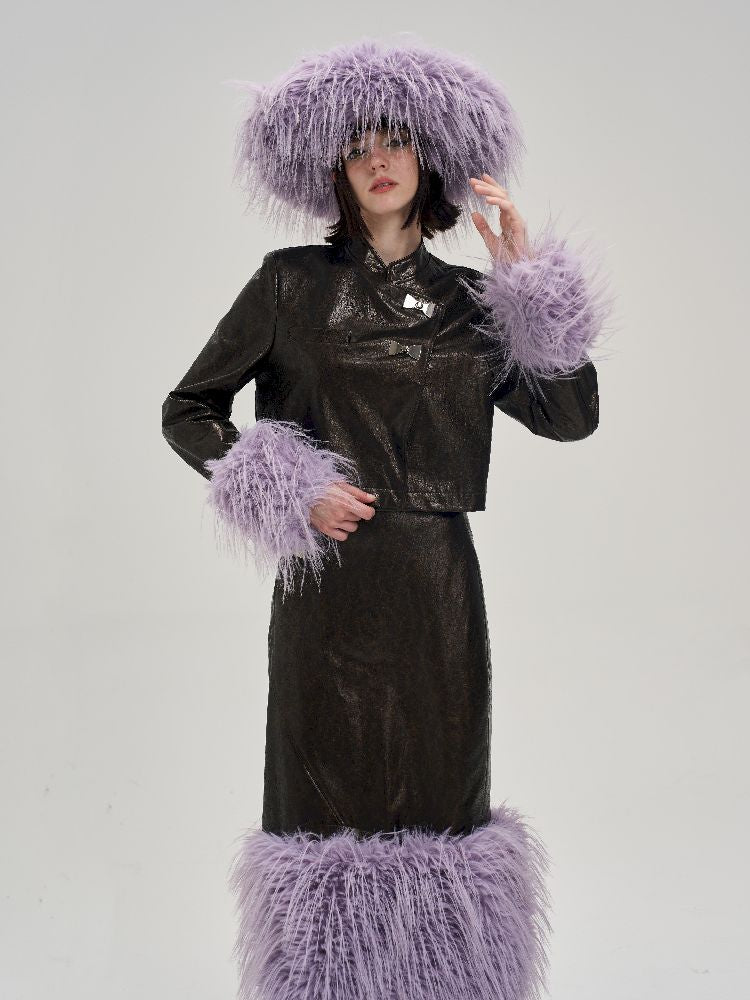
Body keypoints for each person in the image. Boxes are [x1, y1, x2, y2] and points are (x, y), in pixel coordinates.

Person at [161, 37, 612, 1000]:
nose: (379, 159)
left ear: (428, 160)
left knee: (442, 813)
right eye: (359, 143)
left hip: (436, 595)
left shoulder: (474, 304)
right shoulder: (290, 284)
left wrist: (526, 286)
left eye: (397, 140)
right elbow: (188, 409)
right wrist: (292, 487)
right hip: (328, 598)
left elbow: (571, 417)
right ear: (337, 166)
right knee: (320, 816)